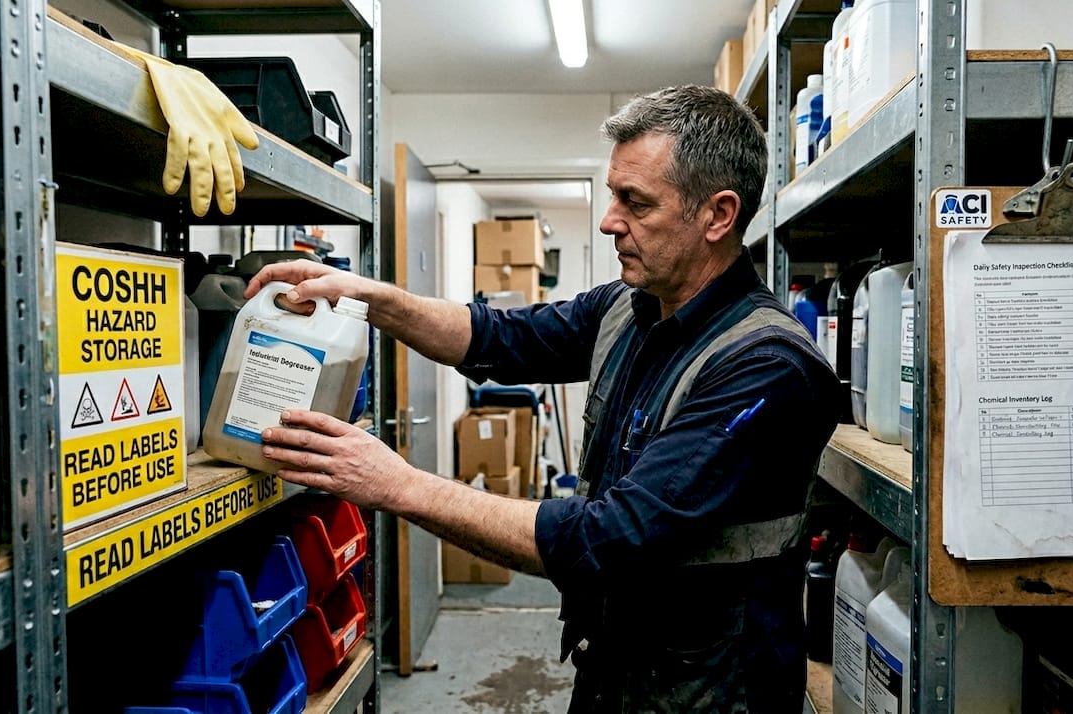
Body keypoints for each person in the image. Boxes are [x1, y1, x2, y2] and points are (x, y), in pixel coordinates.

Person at [249, 84, 840, 713]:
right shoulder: (629, 309)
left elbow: (609, 539)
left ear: (718, 216)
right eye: (614, 194)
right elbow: (496, 336)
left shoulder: (767, 369)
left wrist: (398, 485)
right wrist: (369, 299)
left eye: (635, 203)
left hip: (714, 693)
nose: (610, 220)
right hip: (614, 670)